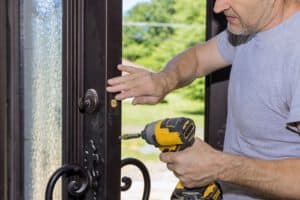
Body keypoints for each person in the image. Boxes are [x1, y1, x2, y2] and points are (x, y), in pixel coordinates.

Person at [107, 0, 300, 199]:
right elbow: (198, 58)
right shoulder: (252, 26)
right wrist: (164, 81)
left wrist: (222, 167)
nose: (217, 7)